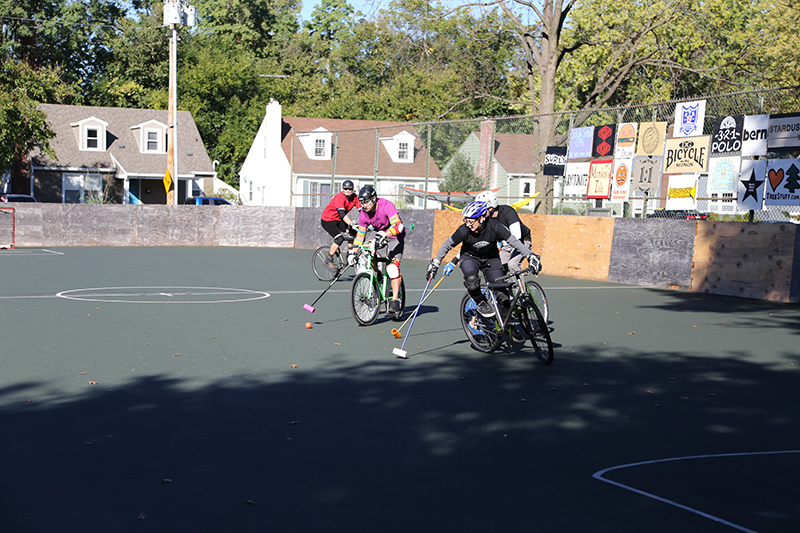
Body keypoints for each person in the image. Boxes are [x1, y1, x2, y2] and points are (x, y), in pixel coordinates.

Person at [427, 201, 540, 326]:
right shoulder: (463, 230)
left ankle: (507, 325)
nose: (468, 224)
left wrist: (530, 255)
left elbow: (514, 242)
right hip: (470, 258)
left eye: (471, 221)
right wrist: (436, 262)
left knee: (503, 296)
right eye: (466, 221)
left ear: (481, 218)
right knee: (472, 280)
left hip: (491, 259)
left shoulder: (495, 226)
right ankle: (480, 302)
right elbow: (447, 245)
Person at [352, 185, 406, 315]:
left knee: (392, 269)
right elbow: (360, 234)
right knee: (366, 251)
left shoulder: (386, 205)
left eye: (366, 202)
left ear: (374, 198)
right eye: (362, 203)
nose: (364, 206)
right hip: (377, 233)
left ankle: (394, 300)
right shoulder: (364, 213)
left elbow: (397, 224)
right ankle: (376, 273)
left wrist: (385, 234)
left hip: (394, 235)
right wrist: (352, 253)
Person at [475, 190, 532, 274]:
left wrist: (502, 244)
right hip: (504, 245)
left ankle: (520, 287)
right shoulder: (486, 219)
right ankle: (504, 286)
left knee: (512, 265)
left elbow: (517, 235)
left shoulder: (508, 212)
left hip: (522, 241)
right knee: (498, 266)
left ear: (491, 208)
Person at [320, 180, 361, 265]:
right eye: (345, 189)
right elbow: (342, 214)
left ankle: (350, 254)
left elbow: (362, 211)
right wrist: (351, 224)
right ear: (343, 189)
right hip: (328, 220)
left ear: (353, 190)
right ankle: (329, 258)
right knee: (339, 238)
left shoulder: (354, 197)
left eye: (350, 189)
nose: (348, 191)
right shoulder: (339, 197)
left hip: (338, 220)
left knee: (354, 233)